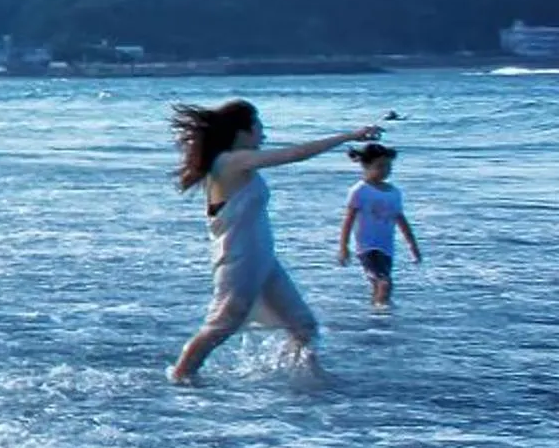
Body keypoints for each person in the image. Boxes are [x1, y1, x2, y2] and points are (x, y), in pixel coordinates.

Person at [168, 101, 379, 384]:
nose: (263, 135)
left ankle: (308, 383)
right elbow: (294, 154)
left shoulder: (235, 162)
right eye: (259, 127)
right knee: (222, 324)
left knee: (304, 327)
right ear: (242, 131)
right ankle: (181, 376)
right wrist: (349, 136)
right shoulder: (231, 161)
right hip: (239, 259)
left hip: (263, 260)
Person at [338, 142, 422, 310]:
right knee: (385, 283)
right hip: (367, 247)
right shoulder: (359, 190)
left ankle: (376, 316)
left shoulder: (394, 192)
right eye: (380, 166)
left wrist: (412, 245)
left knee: (379, 284)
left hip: (386, 248)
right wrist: (344, 247)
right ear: (365, 165)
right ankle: (382, 316)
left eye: (388, 166)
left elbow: (400, 219)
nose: (385, 170)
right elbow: (348, 220)